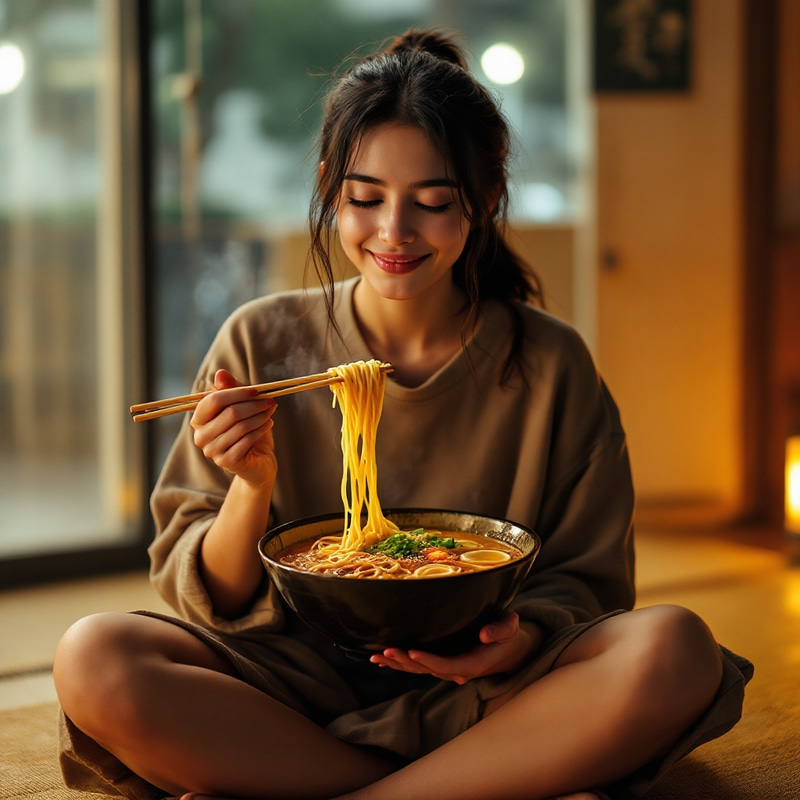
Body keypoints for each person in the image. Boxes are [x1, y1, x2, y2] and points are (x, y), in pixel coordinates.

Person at [53, 28, 752, 800]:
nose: (393, 233)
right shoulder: (260, 338)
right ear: (328, 186)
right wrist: (251, 487)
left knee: (677, 646)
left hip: (488, 693)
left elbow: (589, 585)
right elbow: (208, 597)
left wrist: (517, 641)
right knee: (94, 655)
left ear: (485, 200)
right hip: (292, 685)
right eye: (364, 199)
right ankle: (483, 785)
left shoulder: (551, 362)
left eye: (433, 203)